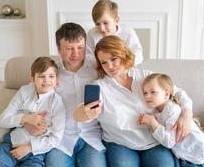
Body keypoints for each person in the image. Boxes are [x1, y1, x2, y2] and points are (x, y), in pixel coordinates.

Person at [74, 35, 193, 167]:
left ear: (123, 54)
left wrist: (186, 114)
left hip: (154, 140)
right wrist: (83, 114)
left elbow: (178, 93)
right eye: (104, 62)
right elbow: (81, 113)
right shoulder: (99, 86)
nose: (110, 66)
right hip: (120, 144)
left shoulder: (145, 76)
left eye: (114, 59)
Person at [0, 57, 65, 167]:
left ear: (56, 79)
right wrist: (25, 118)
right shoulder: (24, 91)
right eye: (41, 76)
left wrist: (30, 148)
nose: (47, 80)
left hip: (36, 154)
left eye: (51, 76)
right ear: (33, 79)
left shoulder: (56, 102)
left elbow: (56, 138)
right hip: (11, 145)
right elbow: (3, 119)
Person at [43, 22, 107, 167]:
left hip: (92, 137)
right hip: (61, 138)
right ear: (59, 49)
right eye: (69, 49)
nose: (76, 54)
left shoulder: (98, 67)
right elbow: (34, 93)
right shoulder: (51, 73)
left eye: (80, 48)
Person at [138, 73, 204, 167]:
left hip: (201, 158)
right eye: (145, 93)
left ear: (166, 94)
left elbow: (170, 141)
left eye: (153, 92)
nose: (147, 96)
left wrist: (152, 124)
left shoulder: (172, 109)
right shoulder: (157, 112)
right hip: (185, 157)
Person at [86, 0, 143, 65]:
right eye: (97, 24)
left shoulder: (128, 33)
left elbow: (138, 55)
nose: (102, 29)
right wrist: (103, 64)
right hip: (101, 70)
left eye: (105, 23)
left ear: (116, 20)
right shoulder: (92, 34)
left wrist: (121, 65)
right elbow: (87, 56)